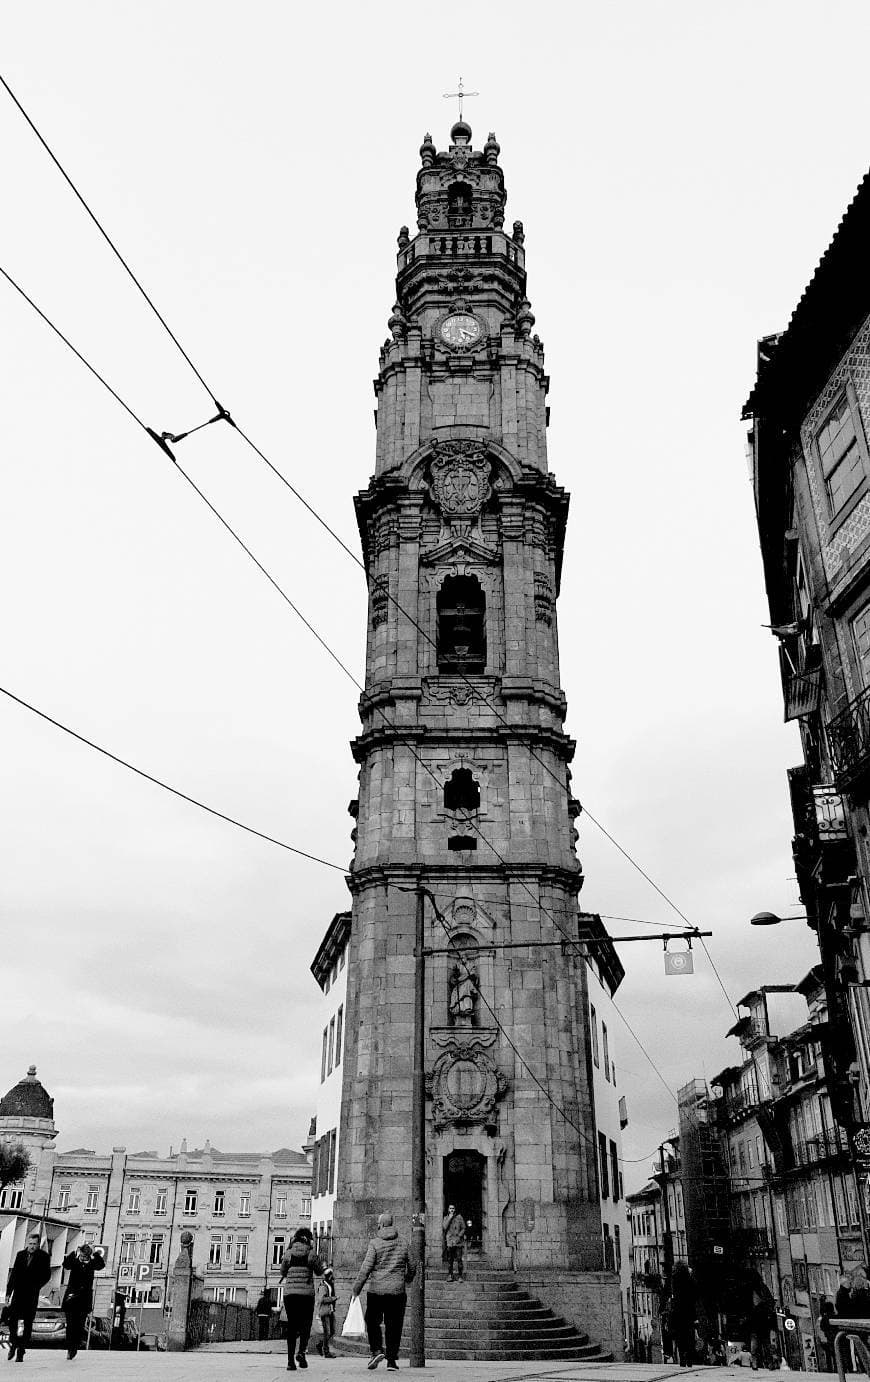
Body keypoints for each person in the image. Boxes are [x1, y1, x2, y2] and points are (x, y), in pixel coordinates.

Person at [352, 1211, 416, 1371]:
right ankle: (392, 1361)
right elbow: (413, 1265)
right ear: (392, 1224)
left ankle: (376, 1350)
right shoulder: (403, 1242)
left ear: (381, 1225)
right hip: (397, 1291)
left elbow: (365, 1268)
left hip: (377, 1291)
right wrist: (406, 1279)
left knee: (372, 1321)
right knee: (394, 1325)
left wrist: (356, 1288)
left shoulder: (375, 1243)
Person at [278, 1227, 325, 1371]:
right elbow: (319, 1271)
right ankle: (302, 1353)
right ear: (308, 1239)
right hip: (306, 1295)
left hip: (290, 1295)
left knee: (292, 1327)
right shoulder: (311, 1253)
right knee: (306, 1325)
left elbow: (283, 1271)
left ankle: (290, 1361)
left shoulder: (288, 1253)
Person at [5, 1229, 51, 1362]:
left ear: (38, 1244)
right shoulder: (20, 1255)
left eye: (34, 1244)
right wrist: (8, 1293)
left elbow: (47, 1275)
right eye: (30, 1243)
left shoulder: (43, 1256)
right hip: (18, 1294)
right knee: (13, 1321)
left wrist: (36, 1285)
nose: (31, 1246)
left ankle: (21, 1349)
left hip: (31, 1295)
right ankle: (14, 1344)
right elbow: (13, 1275)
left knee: (27, 1323)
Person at [61, 1241, 105, 1360]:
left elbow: (101, 1265)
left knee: (80, 1325)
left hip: (84, 1301)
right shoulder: (74, 1262)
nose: (83, 1258)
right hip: (71, 1299)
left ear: (88, 1256)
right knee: (70, 1324)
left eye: (85, 1256)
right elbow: (65, 1264)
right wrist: (74, 1252)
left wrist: (95, 1253)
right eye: (81, 1255)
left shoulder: (92, 1264)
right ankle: (70, 1347)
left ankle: (75, 1346)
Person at [747, 1272, 778, 1371]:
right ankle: (768, 1364)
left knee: (756, 1346)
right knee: (764, 1345)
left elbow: (770, 1302)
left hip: (758, 1323)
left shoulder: (757, 1290)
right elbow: (771, 1302)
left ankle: (760, 1364)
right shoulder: (760, 1289)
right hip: (761, 1323)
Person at [668, 1263, 697, 1367]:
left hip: (678, 1313)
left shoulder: (674, 1280)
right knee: (689, 1337)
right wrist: (695, 1317)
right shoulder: (691, 1281)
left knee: (680, 1337)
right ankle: (689, 1359)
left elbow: (672, 1297)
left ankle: (682, 1358)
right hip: (689, 1313)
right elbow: (694, 1298)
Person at [315, 1267, 337, 1358]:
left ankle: (320, 1344)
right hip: (324, 1311)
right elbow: (321, 1299)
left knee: (332, 1331)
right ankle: (326, 1351)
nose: (333, 1277)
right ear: (329, 1275)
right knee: (327, 1332)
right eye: (332, 1275)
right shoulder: (323, 1286)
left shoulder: (330, 1284)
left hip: (330, 1310)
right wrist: (333, 1298)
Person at [442, 1204, 466, 1282]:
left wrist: (459, 1236)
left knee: (459, 1259)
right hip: (450, 1241)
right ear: (448, 1210)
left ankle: (460, 1276)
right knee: (450, 1260)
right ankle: (450, 1275)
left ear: (455, 1209)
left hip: (458, 1242)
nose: (451, 1210)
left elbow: (463, 1228)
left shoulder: (459, 1217)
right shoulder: (446, 1218)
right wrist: (450, 1218)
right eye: (450, 1208)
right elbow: (445, 1227)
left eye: (453, 1208)